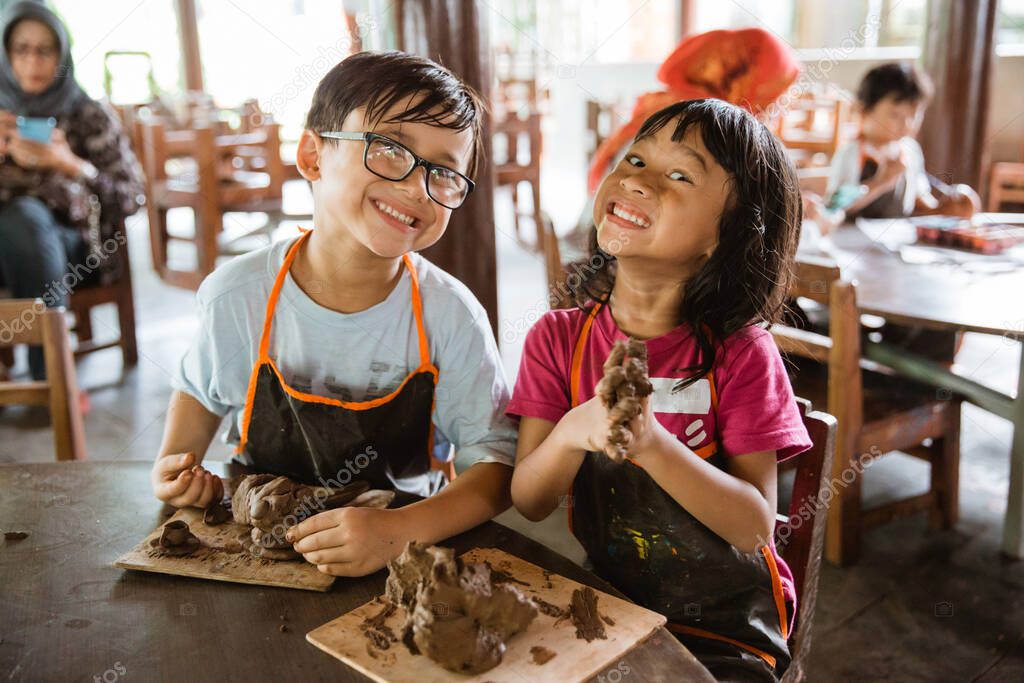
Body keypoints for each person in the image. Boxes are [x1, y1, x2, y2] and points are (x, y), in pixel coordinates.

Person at [150, 51, 516, 577]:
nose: (417, 186)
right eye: (391, 149)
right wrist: (176, 471)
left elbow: (495, 467)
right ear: (312, 156)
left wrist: (398, 533)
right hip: (257, 550)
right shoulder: (239, 296)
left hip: (398, 558)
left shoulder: (451, 315)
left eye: (444, 173)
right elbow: (195, 405)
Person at [509, 99, 811, 682]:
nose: (636, 180)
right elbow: (530, 499)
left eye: (678, 175)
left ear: (723, 239)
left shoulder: (741, 354)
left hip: (725, 630)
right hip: (609, 606)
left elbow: (754, 526)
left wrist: (649, 443)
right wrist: (576, 429)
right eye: (637, 159)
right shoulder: (557, 339)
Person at [0, 1, 143, 381]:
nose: (33, 61)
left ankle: (50, 381)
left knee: (25, 220)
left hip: (76, 246)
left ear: (62, 54)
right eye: (21, 49)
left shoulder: (88, 114)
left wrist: (71, 164)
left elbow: (132, 195)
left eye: (44, 50)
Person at [816, 61, 979, 226]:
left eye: (914, 115)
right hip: (850, 240)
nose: (907, 124)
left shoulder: (910, 150)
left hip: (896, 240)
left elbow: (918, 201)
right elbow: (836, 206)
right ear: (864, 112)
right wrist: (881, 182)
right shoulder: (852, 153)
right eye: (896, 115)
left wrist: (947, 209)